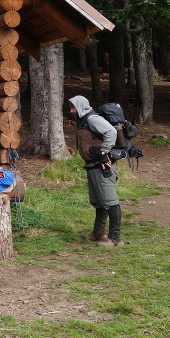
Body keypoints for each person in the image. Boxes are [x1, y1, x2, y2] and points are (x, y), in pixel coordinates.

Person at [64, 95, 124, 247]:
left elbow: (111, 131)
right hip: (92, 165)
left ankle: (116, 238)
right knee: (99, 201)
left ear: (81, 107)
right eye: (71, 107)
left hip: (102, 166)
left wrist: (104, 153)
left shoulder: (92, 119)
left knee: (110, 201)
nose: (71, 111)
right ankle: (98, 233)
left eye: (73, 107)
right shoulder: (84, 120)